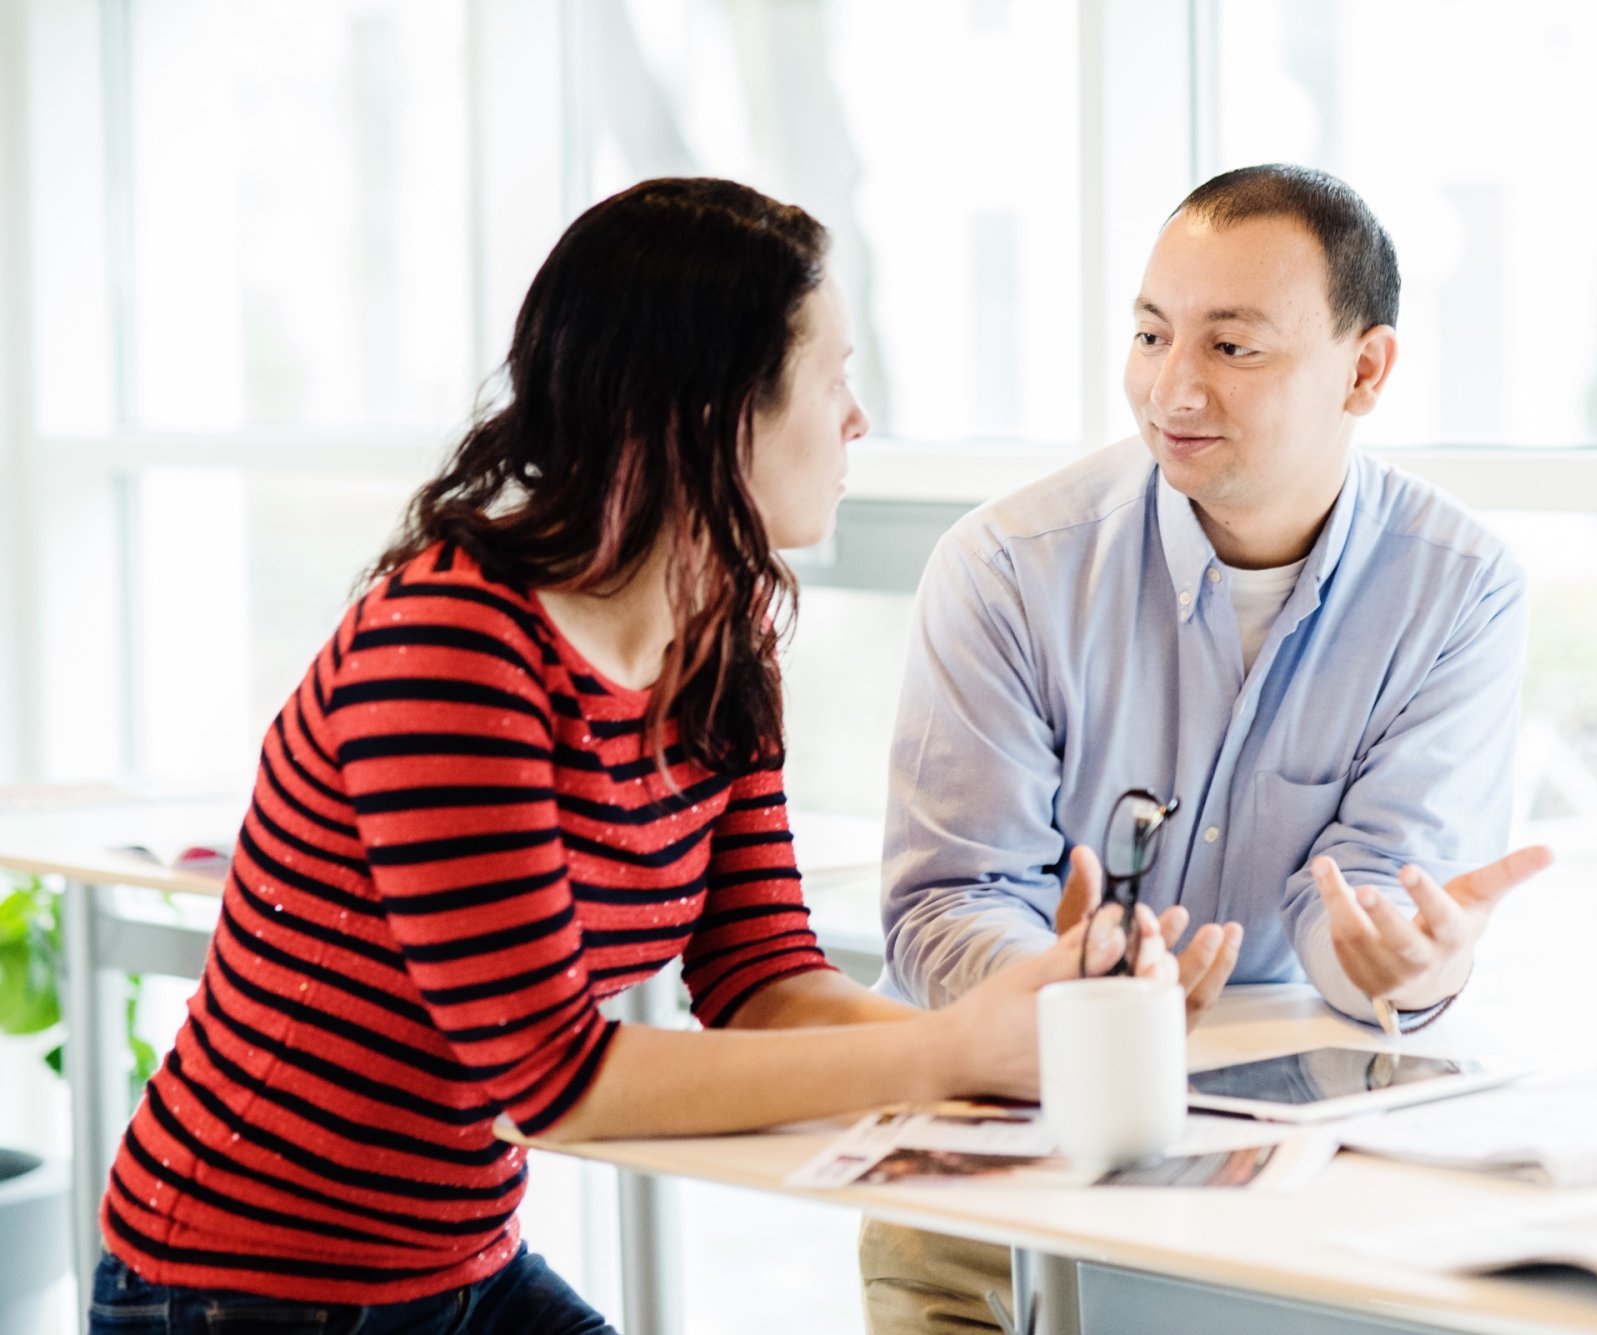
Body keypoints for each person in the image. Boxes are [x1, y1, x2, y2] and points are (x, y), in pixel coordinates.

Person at [88, 177, 1170, 1334]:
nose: (857, 418)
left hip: (455, 1264)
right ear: (712, 412)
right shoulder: (450, 648)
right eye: (832, 377)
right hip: (240, 1286)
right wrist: (951, 1051)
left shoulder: (722, 631)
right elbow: (558, 1083)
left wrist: (1032, 1034)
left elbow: (759, 981)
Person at [861, 164, 1554, 1332]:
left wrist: (1402, 963)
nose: (1170, 387)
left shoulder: (1458, 590)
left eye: (1232, 348)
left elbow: (1372, 903)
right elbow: (942, 908)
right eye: (1148, 334)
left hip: (1282, 1213)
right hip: (1000, 1175)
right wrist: (1065, 989)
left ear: (1365, 368)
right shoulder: (1005, 569)